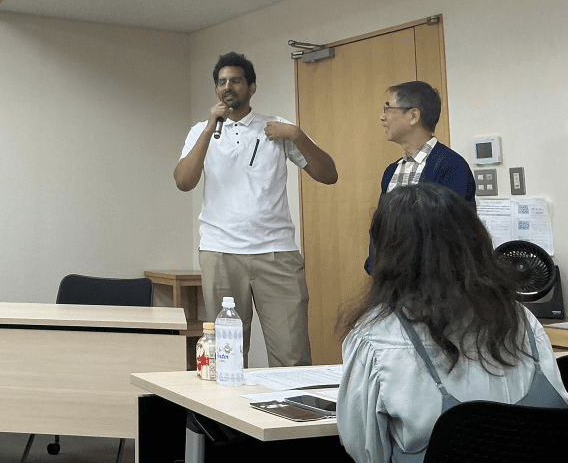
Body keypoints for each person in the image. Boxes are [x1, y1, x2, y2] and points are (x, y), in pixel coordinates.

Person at [338, 182, 568, 463]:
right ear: (475, 242)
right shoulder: (522, 321)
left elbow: (364, 451)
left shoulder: (376, 337)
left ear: (388, 256)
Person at [174, 51, 338, 367]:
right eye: (221, 82)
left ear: (251, 87)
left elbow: (329, 175)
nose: (227, 87)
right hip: (220, 253)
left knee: (292, 354)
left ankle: (292, 402)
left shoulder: (277, 128)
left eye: (235, 81)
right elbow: (183, 182)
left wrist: (297, 135)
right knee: (226, 358)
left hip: (277, 253)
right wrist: (209, 130)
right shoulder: (202, 131)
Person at [364, 80, 475, 273]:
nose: (382, 117)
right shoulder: (391, 171)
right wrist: (375, 267)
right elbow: (381, 229)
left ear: (413, 116)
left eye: (388, 109)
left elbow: (454, 235)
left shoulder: (451, 166)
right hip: (390, 279)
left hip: (435, 281)